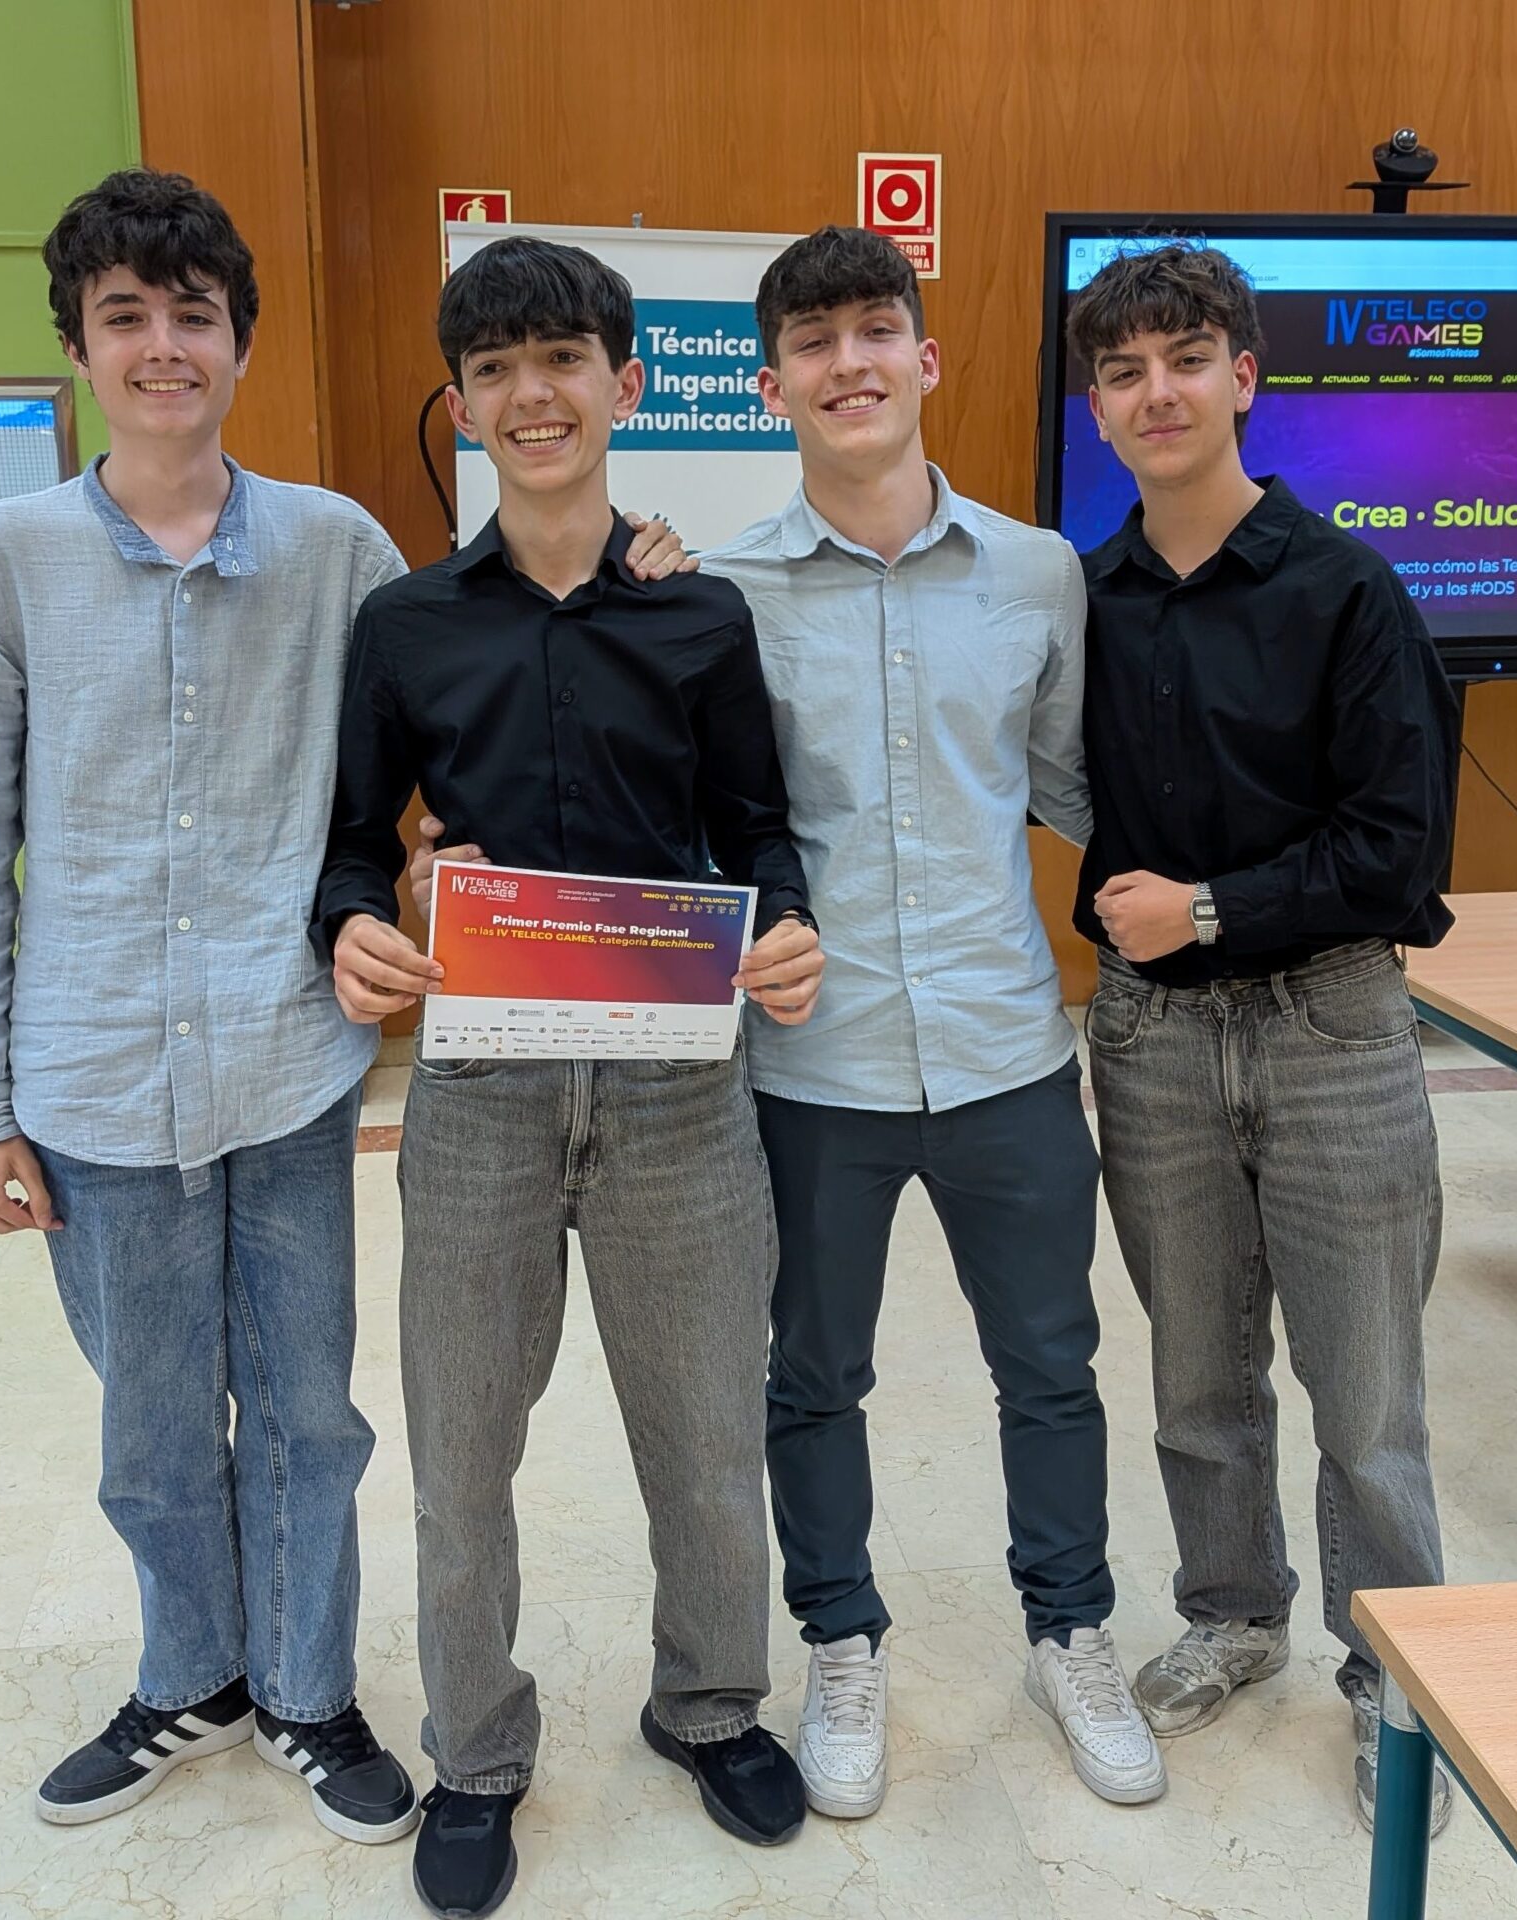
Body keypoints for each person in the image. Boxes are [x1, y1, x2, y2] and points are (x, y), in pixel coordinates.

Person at [0, 169, 686, 1852]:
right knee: (150, 1424)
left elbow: (465, 699)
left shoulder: (337, 549)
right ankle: (189, 1677)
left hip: (286, 1060)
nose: (162, 347)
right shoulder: (1, 562)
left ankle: (311, 1693)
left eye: (193, 315)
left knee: (311, 1411)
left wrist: (641, 564)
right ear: (77, 349)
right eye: (125, 317)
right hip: (93, 1075)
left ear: (240, 344)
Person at [411, 225, 1162, 1818]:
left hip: (1008, 1046)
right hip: (807, 1064)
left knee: (1053, 1363)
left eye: (875, 332)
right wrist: (449, 873)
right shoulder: (708, 591)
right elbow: (667, 810)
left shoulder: (1040, 572)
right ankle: (841, 1641)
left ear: (925, 358)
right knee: (810, 1377)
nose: (849, 365)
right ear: (769, 388)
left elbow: (1082, 789)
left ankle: (1072, 1632)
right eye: (812, 344)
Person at [318, 234, 826, 1920]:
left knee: (706, 1431)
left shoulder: (699, 613)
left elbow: (758, 830)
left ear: (625, 382)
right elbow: (349, 848)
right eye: (495, 370)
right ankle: (476, 1753)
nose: (531, 394)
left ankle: (711, 1705)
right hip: (482, 1088)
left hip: (681, 1084)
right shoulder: (405, 625)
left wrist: (786, 926)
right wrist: (359, 926)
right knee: (463, 1450)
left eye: (561, 360)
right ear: (462, 406)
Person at [1062, 243, 1461, 1834]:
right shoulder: (1081, 600)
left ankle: (1398, 1681)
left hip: (1330, 1026)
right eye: (1123, 371)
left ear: (1244, 376)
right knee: (1196, 1372)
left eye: (1185, 359)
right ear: (1098, 408)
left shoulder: (1346, 590)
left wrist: (1212, 909)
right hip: (1153, 1040)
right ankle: (1233, 1612)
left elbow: (1400, 856)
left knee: (1366, 1396)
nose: (1155, 392)